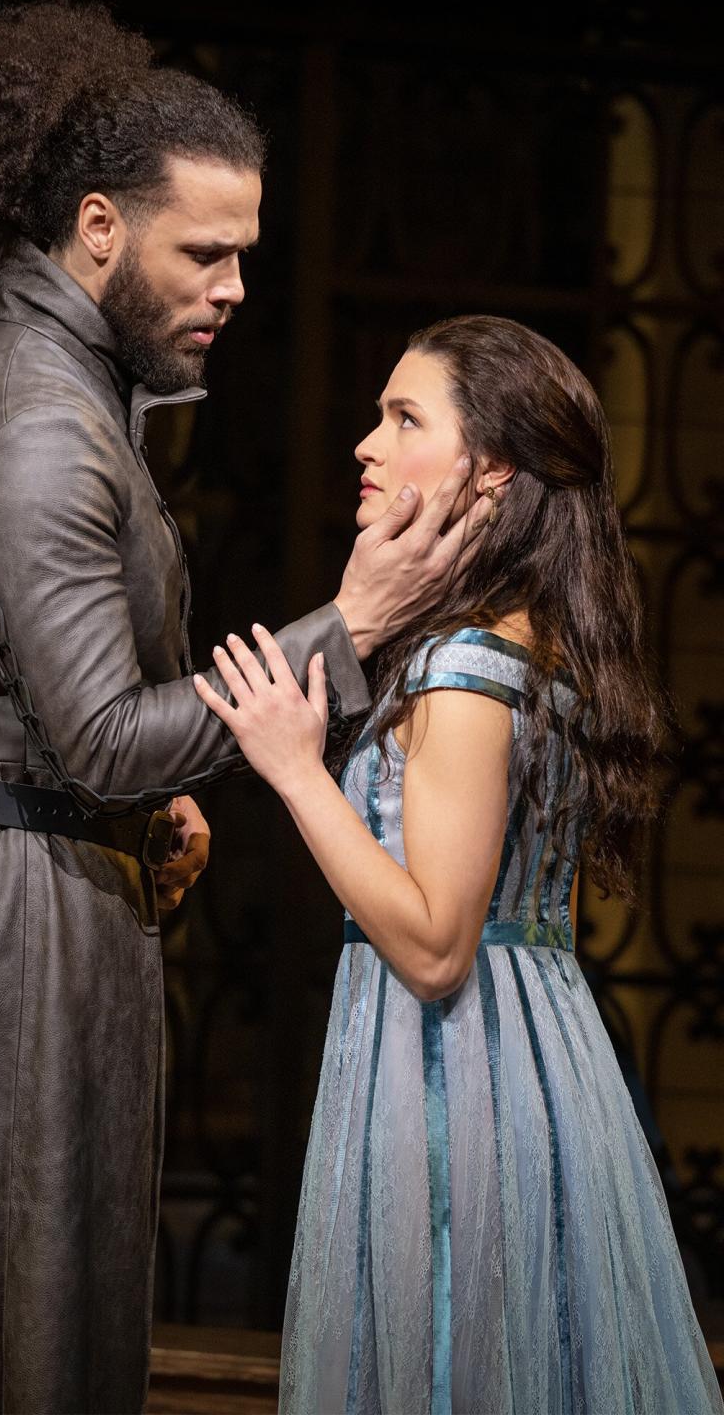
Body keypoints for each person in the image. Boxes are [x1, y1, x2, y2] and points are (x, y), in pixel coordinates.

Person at [0, 0, 496, 1415]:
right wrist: (352, 624)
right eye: (203, 254)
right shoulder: (42, 416)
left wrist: (146, 802)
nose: (231, 288)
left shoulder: (34, 367)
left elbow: (54, 711)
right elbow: (96, 732)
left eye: (244, 258)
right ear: (98, 227)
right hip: (5, 926)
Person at [195, 315, 724, 1414]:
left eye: (404, 418)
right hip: (520, 1060)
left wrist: (296, 771)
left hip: (455, 1082)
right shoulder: (511, 641)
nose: (365, 446)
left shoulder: (469, 665)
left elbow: (437, 947)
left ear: (488, 474)